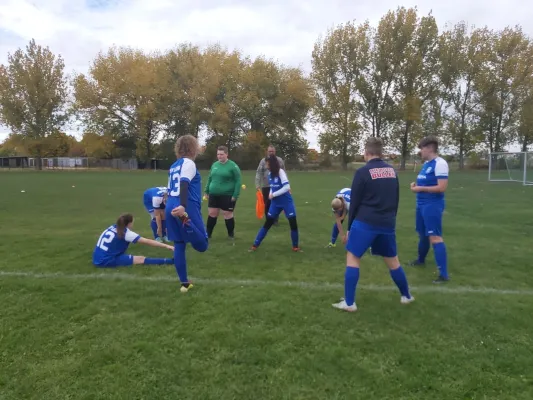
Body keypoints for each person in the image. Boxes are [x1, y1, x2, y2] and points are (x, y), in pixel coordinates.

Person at [332, 137, 414, 312]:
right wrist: (391, 220)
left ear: (366, 152)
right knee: (393, 261)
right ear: (381, 153)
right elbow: (396, 198)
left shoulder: (362, 172)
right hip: (387, 223)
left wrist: (349, 229)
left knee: (353, 257)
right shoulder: (392, 171)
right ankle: (406, 295)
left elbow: (353, 204)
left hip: (365, 222)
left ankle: (349, 303)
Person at [165, 134, 209, 293]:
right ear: (193, 148)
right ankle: (186, 221)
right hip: (185, 205)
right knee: (203, 245)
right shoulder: (189, 163)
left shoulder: (174, 165)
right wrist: (183, 207)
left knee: (179, 245)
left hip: (170, 204)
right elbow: (184, 183)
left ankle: (184, 283)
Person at [409, 136, 449, 283]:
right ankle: (421, 260)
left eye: (422, 148)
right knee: (422, 234)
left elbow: (442, 187)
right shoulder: (427, 164)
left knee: (435, 237)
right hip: (421, 204)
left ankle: (443, 275)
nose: (421, 151)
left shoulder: (440, 163)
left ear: (430, 148)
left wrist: (420, 188)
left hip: (432, 205)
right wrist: (416, 186)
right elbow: (425, 181)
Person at [250, 155, 301, 252]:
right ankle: (255, 245)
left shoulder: (280, 172)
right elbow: (273, 187)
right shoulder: (269, 174)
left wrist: (273, 194)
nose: (266, 166)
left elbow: (287, 187)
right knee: (267, 224)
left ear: (272, 164)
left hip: (286, 202)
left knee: (293, 223)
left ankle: (295, 247)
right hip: (275, 203)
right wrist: (271, 194)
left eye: (268, 164)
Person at [92, 213, 174, 268]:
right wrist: (167, 246)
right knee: (141, 259)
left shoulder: (112, 227)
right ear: (129, 224)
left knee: (133, 257)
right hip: (106, 260)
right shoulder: (126, 233)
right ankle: (171, 261)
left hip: (97, 257)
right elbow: (147, 241)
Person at [204, 146, 242, 241]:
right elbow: (210, 178)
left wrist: (235, 195)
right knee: (212, 213)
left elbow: (238, 181)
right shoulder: (215, 165)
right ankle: (208, 234)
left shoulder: (233, 166)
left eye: (221, 154)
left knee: (227, 214)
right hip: (213, 194)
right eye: (218, 154)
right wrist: (206, 191)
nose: (219, 156)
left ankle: (231, 235)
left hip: (227, 194)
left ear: (226, 154)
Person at [255, 145, 285, 225]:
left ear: (275, 152)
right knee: (267, 203)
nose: (271, 153)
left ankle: (275, 220)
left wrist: (284, 184)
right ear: (267, 152)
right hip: (266, 185)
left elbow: (283, 172)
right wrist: (257, 184)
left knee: (276, 203)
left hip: (276, 186)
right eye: (269, 151)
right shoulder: (263, 161)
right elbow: (259, 172)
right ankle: (268, 219)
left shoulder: (280, 160)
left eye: (272, 151)